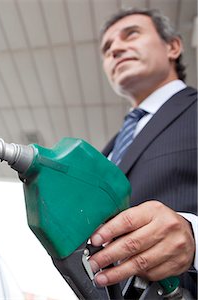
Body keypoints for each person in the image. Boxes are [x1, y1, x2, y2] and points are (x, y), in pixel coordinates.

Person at [87, 7, 197, 296]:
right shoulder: (107, 151)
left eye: (131, 34)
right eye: (107, 48)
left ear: (173, 46)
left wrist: (195, 238)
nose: (116, 49)